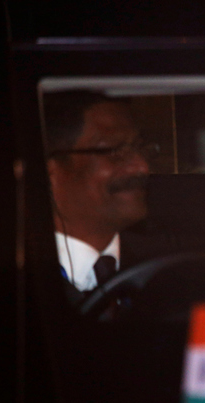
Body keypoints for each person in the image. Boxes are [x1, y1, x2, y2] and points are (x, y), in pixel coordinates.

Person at [44, 91, 158, 303]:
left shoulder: (170, 268)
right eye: (114, 151)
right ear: (52, 174)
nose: (142, 167)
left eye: (139, 148)